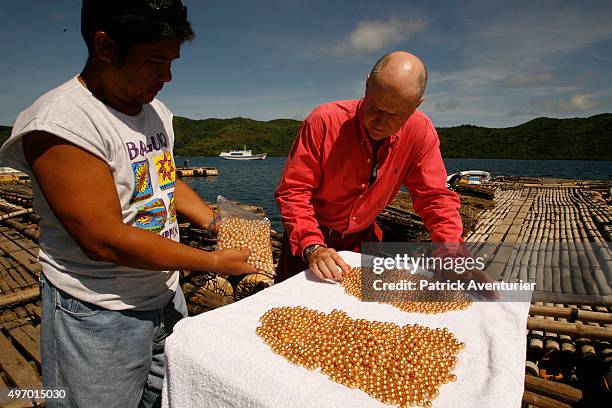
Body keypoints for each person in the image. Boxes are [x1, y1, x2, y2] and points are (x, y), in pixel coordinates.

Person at [0, 1, 254, 407]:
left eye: (172, 61)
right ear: (105, 46)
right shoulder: (62, 123)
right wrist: (214, 262)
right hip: (99, 313)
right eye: (156, 60)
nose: (167, 76)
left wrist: (212, 222)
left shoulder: (156, 111)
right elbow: (103, 239)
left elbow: (162, 178)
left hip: (165, 296)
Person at [275, 51, 464, 283]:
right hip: (310, 238)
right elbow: (293, 190)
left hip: (362, 242)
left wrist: (451, 253)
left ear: (416, 105)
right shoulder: (323, 121)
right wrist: (312, 245)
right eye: (374, 108)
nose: (380, 123)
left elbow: (435, 199)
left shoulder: (420, 132)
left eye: (395, 116)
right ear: (367, 85)